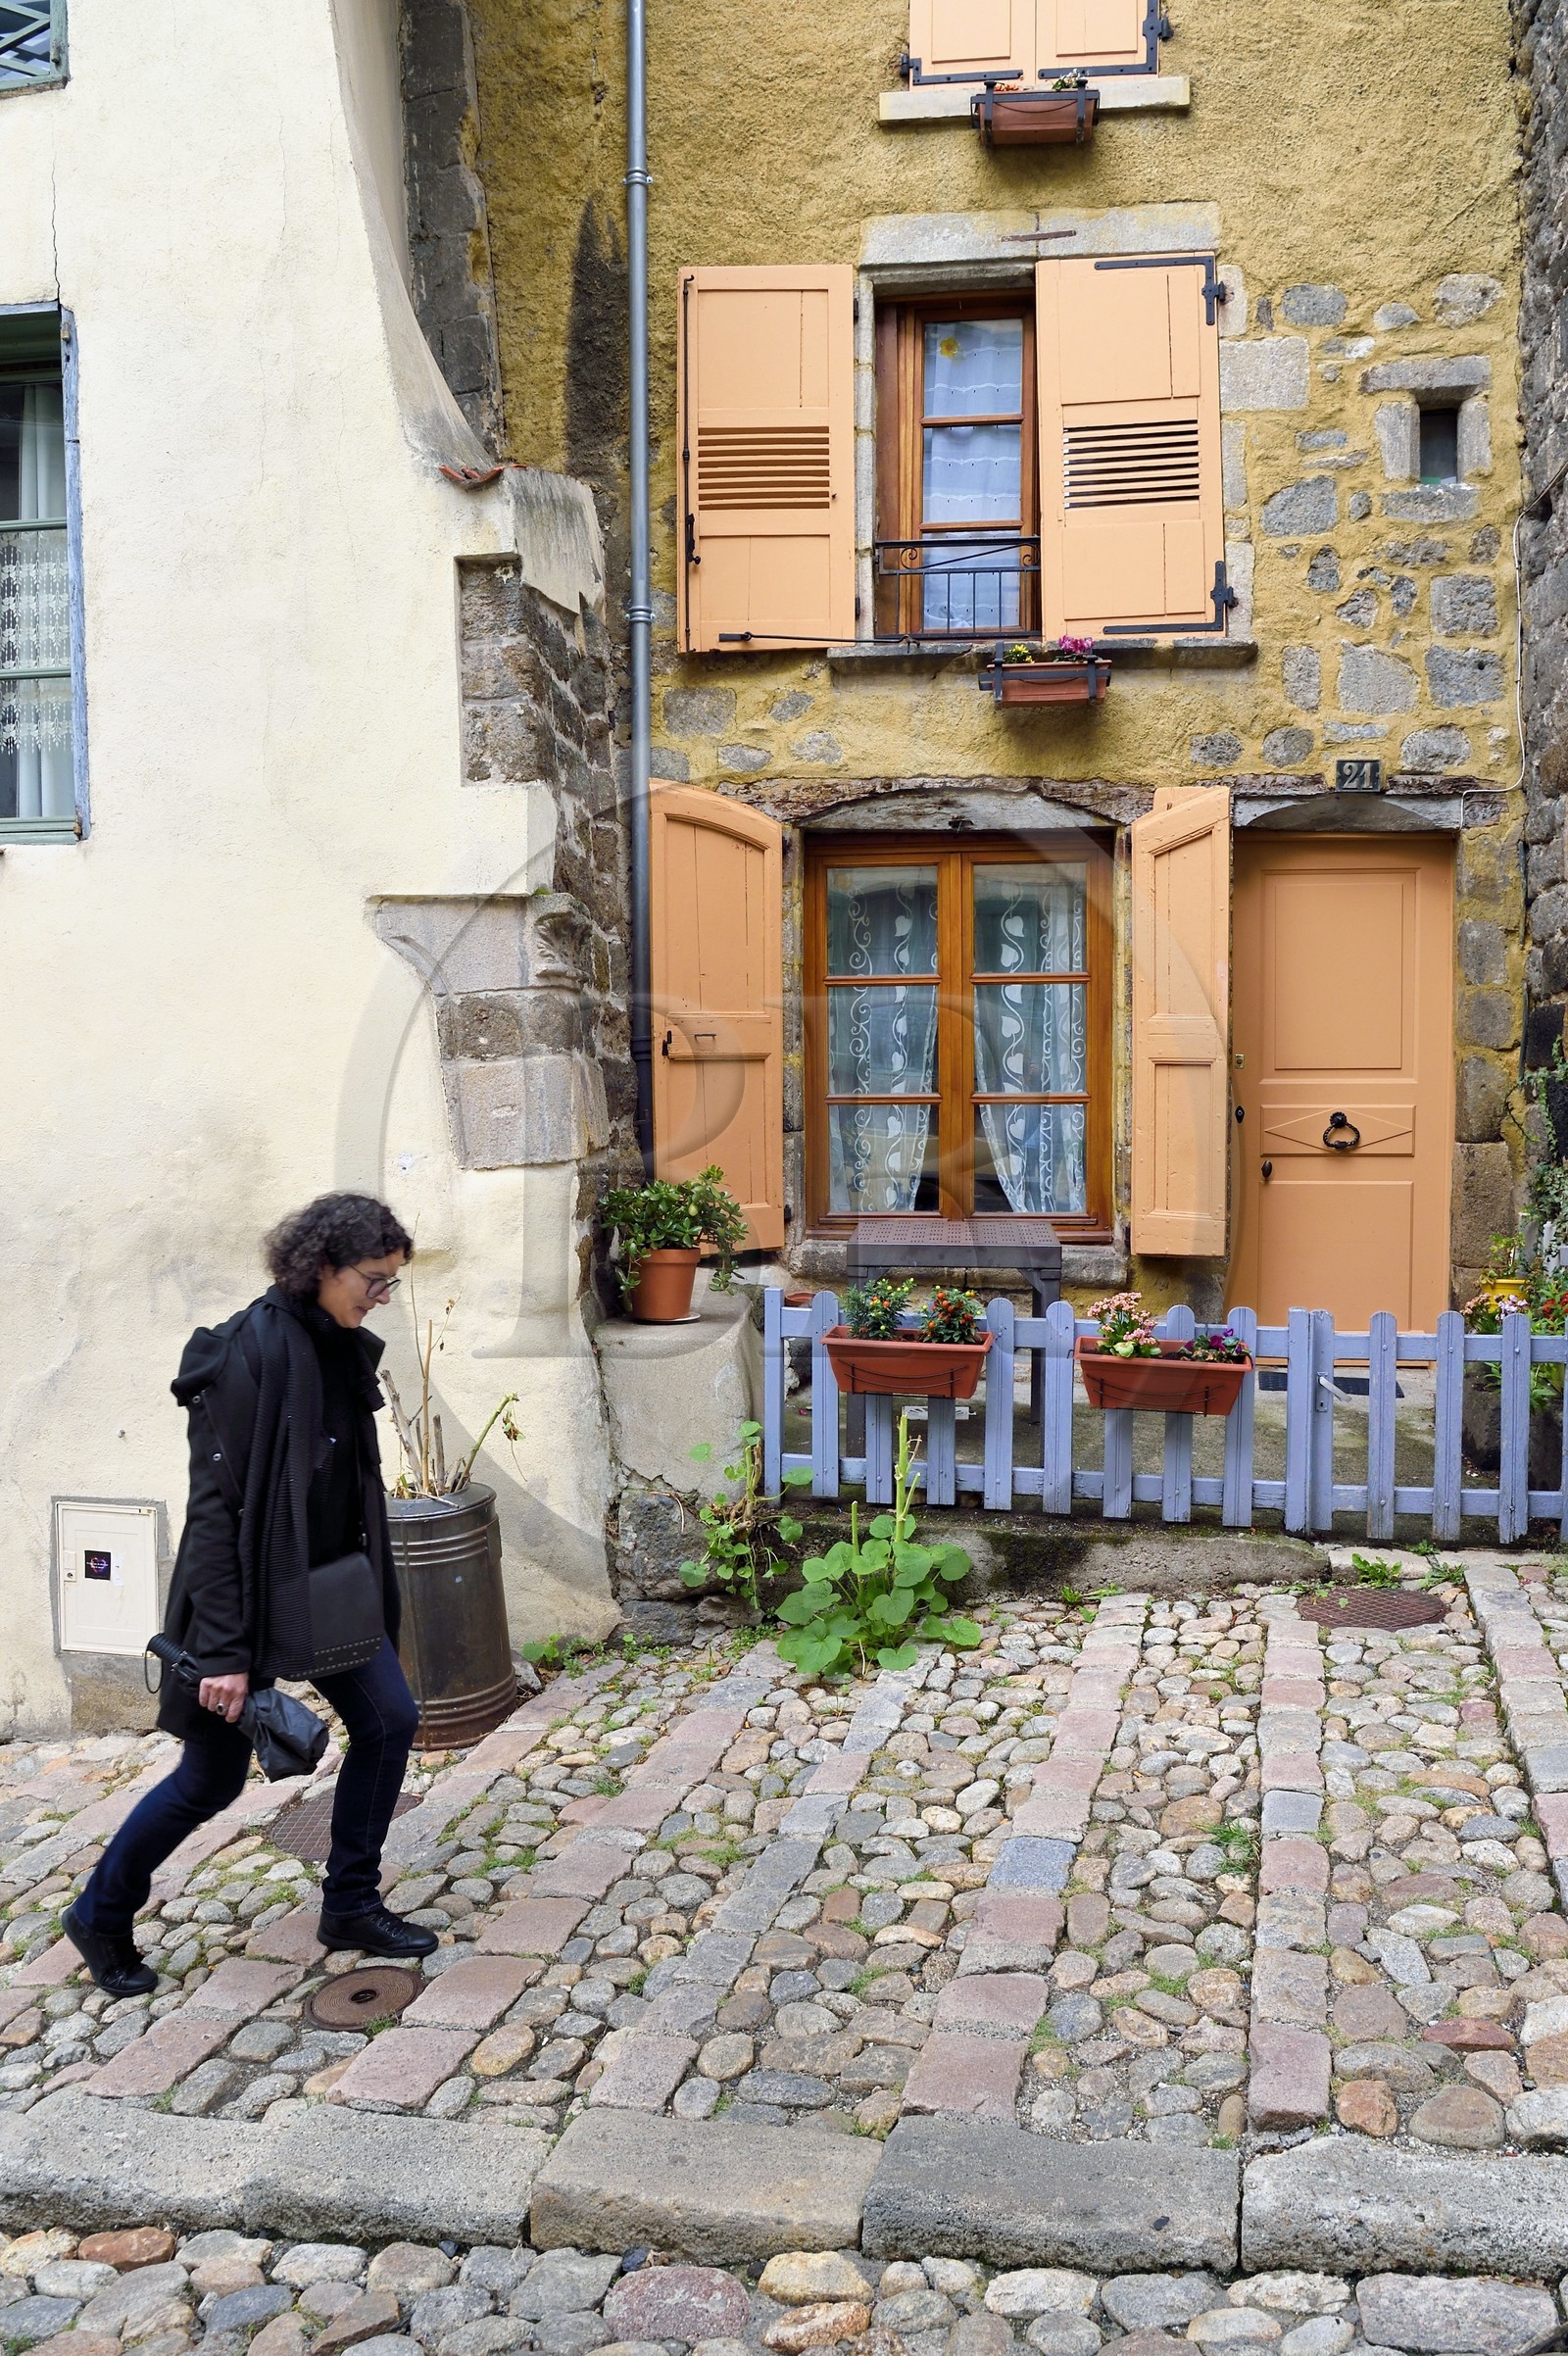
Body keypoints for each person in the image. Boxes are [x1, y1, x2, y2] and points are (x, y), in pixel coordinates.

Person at [64, 1193, 434, 1999]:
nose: (381, 1298)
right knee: (210, 1781)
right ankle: (99, 1912)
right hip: (238, 1600)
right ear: (323, 1268)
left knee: (389, 1719)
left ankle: (351, 1903)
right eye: (374, 1281)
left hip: (327, 1588)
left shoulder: (333, 1342)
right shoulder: (246, 1355)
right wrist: (226, 1656)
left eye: (391, 1285)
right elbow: (214, 1516)